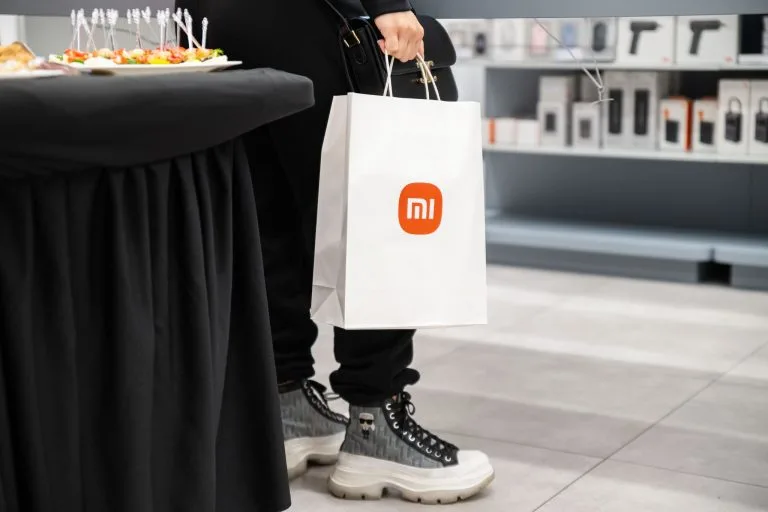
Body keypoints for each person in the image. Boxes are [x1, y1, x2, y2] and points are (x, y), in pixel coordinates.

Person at [192, 0, 494, 503]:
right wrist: (389, 5)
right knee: (369, 217)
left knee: (268, 219)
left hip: (221, 25)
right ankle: (376, 425)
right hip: (312, 21)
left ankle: (286, 407)